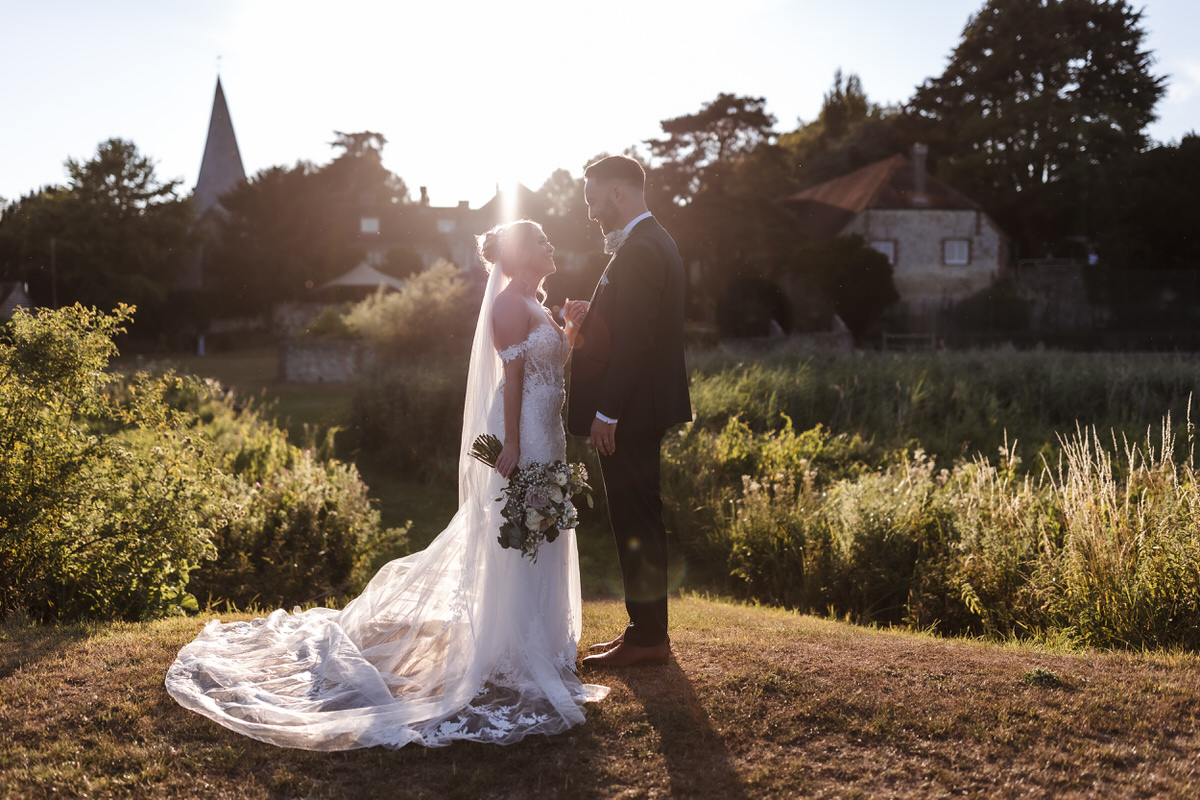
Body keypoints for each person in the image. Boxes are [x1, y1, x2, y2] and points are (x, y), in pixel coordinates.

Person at [165, 220, 608, 750]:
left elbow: (553, 370)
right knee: (516, 530)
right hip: (524, 435)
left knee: (545, 528)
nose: (550, 245)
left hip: (550, 433)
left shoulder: (537, 303)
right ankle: (514, 650)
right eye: (540, 240)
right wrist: (511, 444)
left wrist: (570, 335)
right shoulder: (508, 306)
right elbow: (510, 381)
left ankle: (545, 643)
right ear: (519, 252)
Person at [566, 155, 692, 668]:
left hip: (632, 411)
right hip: (641, 407)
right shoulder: (649, 241)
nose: (590, 210)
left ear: (617, 193)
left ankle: (647, 640)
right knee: (640, 517)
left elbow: (637, 341)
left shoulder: (641, 248)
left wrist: (609, 412)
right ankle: (645, 631)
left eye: (592, 197)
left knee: (636, 518)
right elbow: (628, 327)